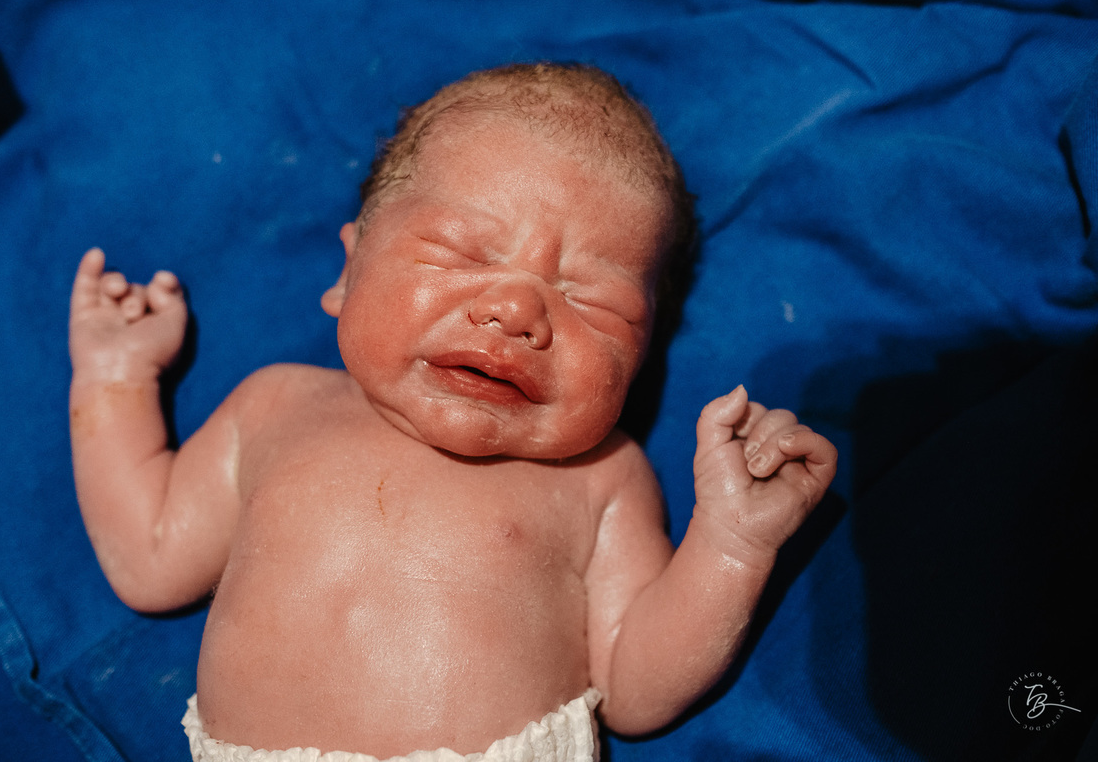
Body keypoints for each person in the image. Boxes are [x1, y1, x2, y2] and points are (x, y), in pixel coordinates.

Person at [68, 63, 837, 762]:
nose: (513, 310)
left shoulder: (600, 477)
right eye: (463, 254)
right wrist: (115, 377)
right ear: (348, 268)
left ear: (641, 359)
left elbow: (633, 687)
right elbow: (150, 556)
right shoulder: (276, 407)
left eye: (588, 299)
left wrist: (733, 543)